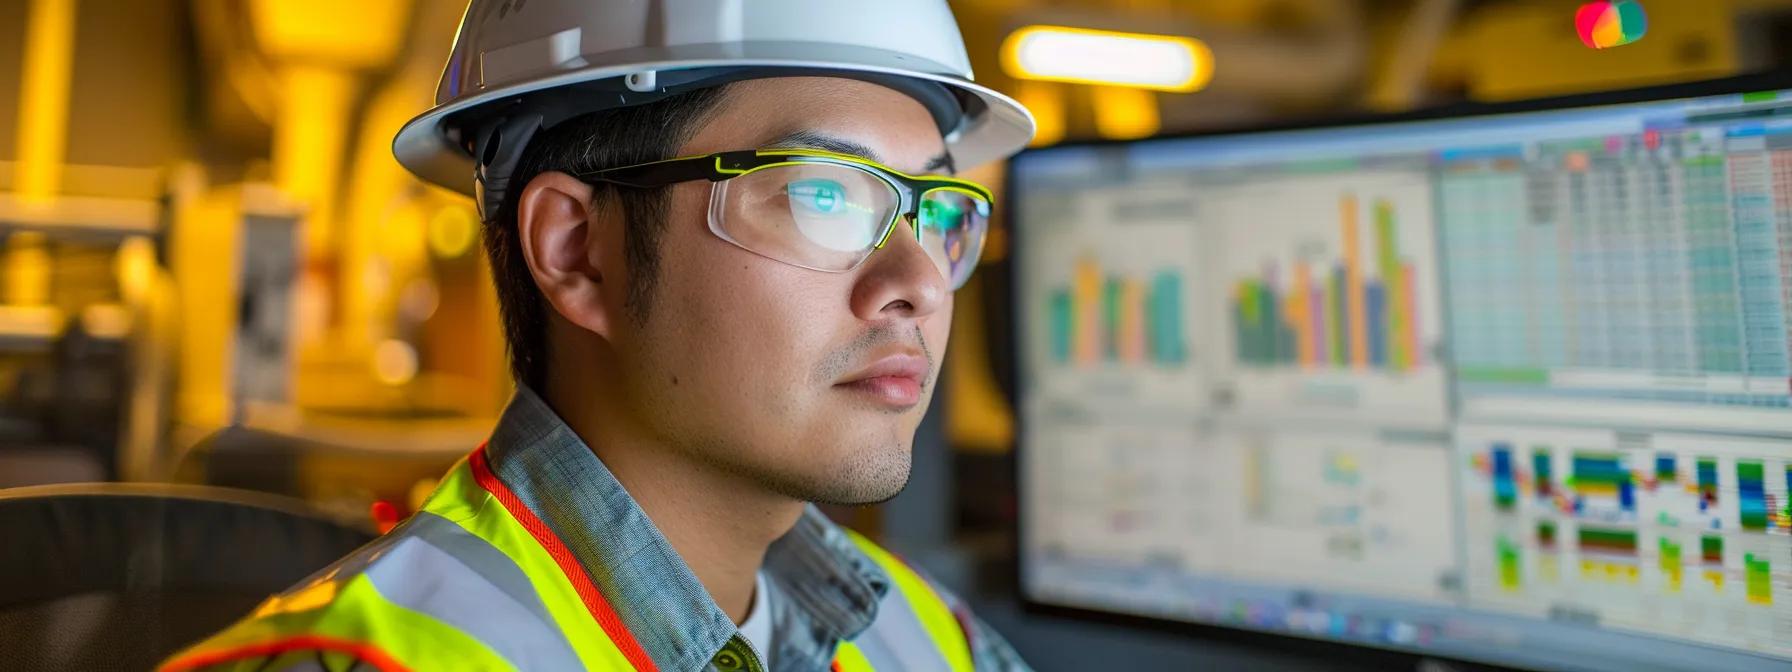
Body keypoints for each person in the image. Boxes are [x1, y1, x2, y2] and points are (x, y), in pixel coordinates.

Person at [159, 1, 1035, 670]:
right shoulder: (372, 660)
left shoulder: (926, 641)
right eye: (823, 196)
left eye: (935, 209)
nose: (919, 282)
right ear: (577, 252)